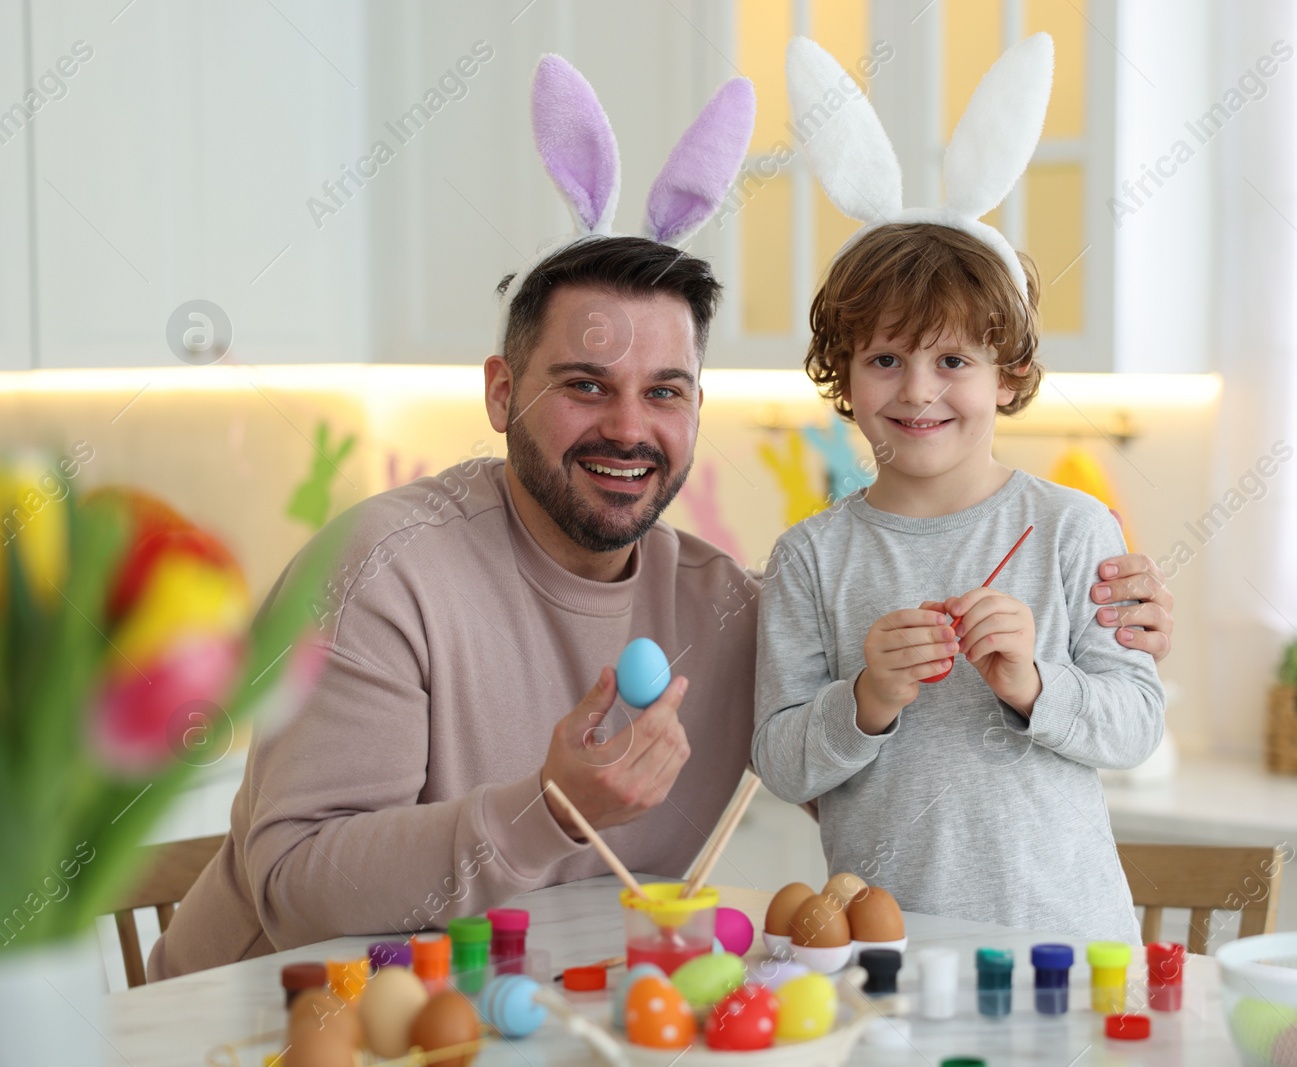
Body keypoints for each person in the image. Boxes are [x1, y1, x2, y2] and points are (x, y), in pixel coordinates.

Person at [148, 55, 1175, 979]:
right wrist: (548, 806)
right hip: (261, 1021)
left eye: (667, 390)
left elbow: (887, 762)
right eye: (586, 384)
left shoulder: (724, 606)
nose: (629, 427)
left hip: (547, 1017)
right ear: (503, 391)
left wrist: (1103, 641)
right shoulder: (381, 567)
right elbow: (294, 884)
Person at [751, 34, 1162, 940]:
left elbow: (1135, 722)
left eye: (954, 359)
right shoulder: (812, 557)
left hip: (1066, 950)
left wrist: (1033, 683)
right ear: (844, 377)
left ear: (1008, 375)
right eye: (885, 357)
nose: (919, 389)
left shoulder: (1071, 527)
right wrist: (866, 698)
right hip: (882, 959)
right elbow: (779, 759)